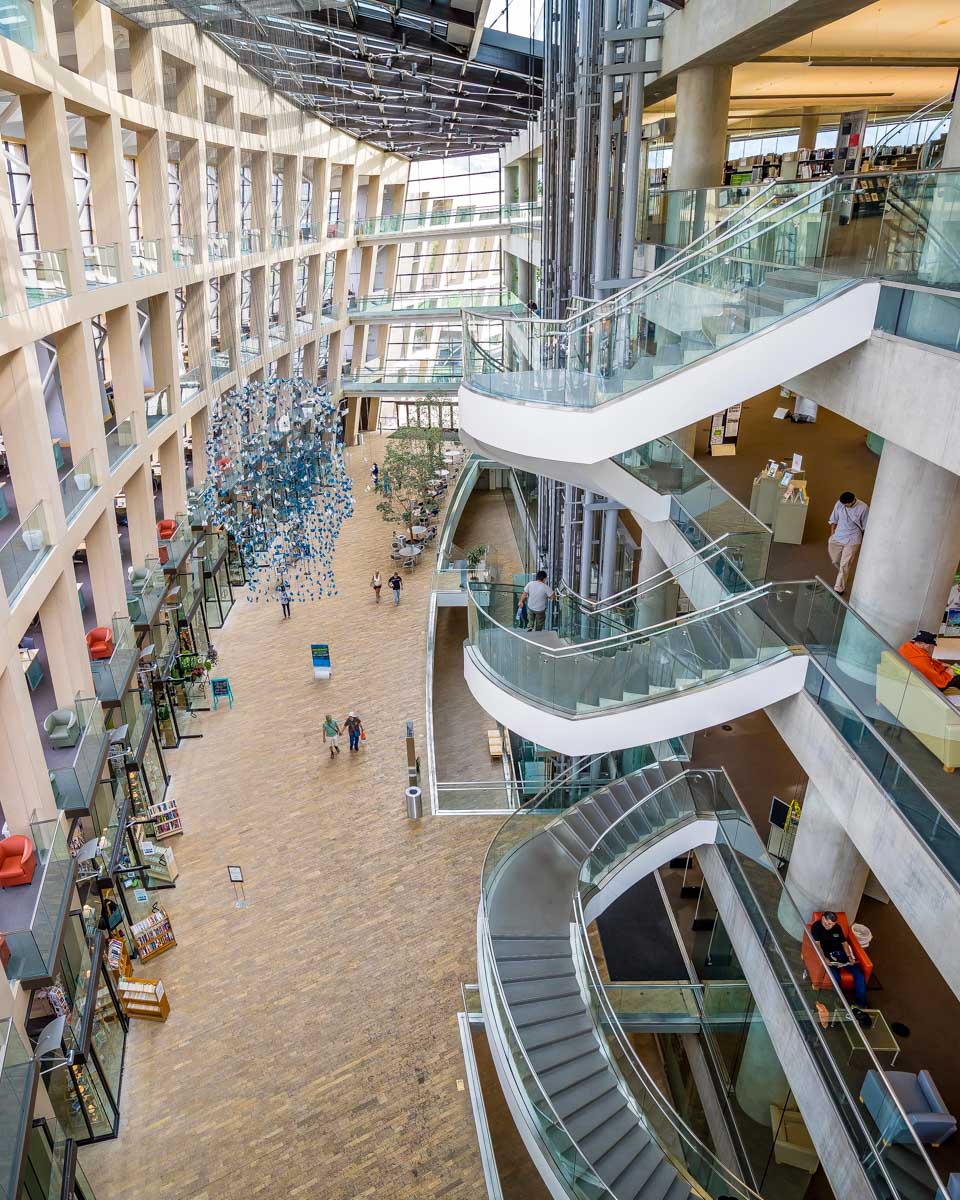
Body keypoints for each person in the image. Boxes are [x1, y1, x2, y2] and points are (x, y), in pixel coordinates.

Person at [810, 910, 870, 1015]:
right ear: (823, 917)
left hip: (841, 955)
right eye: (826, 922)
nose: (828, 926)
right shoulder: (816, 927)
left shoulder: (837, 927)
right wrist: (824, 958)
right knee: (835, 977)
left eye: (831, 924)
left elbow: (844, 943)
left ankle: (862, 1005)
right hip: (829, 956)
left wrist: (849, 957)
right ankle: (838, 1002)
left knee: (859, 975)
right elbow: (818, 944)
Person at [827, 490, 869, 595]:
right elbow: (834, 519)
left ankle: (838, 588)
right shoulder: (839, 503)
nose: (844, 506)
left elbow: (865, 527)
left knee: (845, 564)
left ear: (853, 500)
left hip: (853, 539)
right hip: (838, 537)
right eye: (843, 504)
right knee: (835, 560)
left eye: (847, 504)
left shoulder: (863, 508)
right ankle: (844, 572)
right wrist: (832, 534)